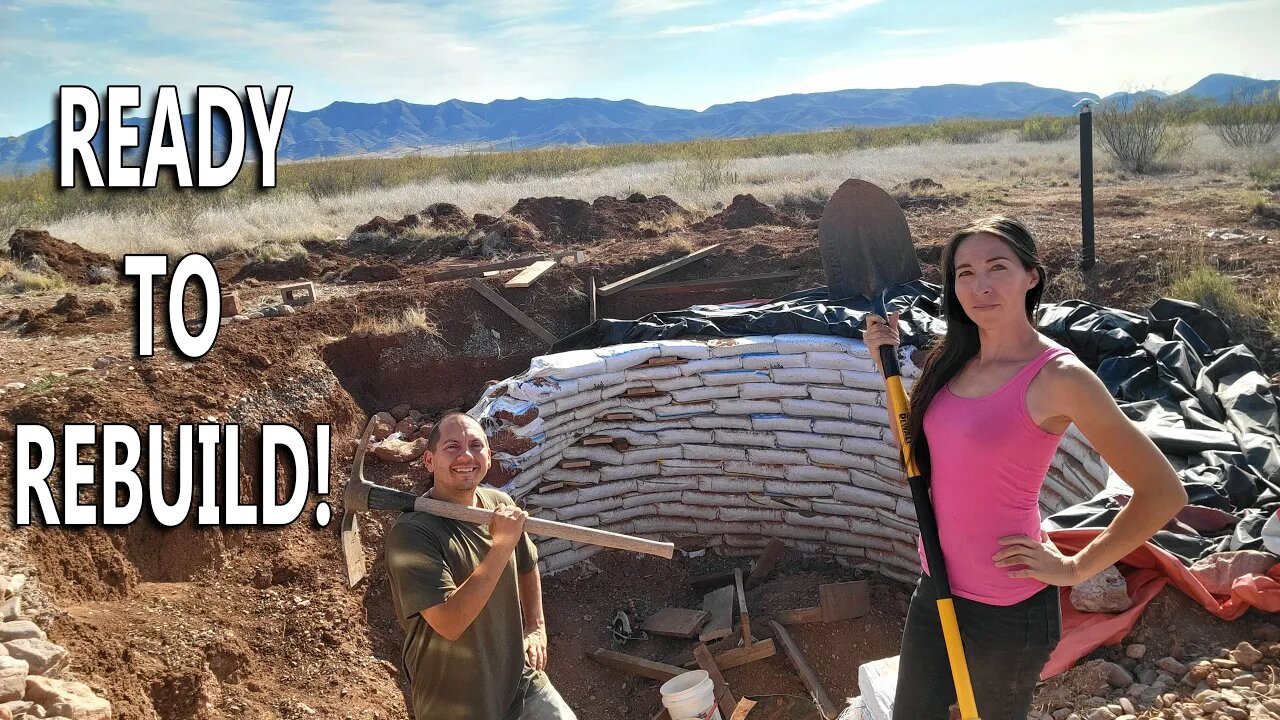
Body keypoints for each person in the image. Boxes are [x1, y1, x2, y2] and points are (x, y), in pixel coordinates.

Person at [862, 216, 1187, 720]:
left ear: (1031, 275)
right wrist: (882, 364)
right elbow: (917, 454)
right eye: (964, 272)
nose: (980, 285)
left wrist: (1077, 568)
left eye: (997, 267)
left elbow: (1163, 492)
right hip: (938, 585)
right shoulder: (952, 361)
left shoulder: (1058, 377)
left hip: (1009, 609)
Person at [384, 411, 576, 720]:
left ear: (488, 456)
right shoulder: (412, 534)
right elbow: (450, 622)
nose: (466, 455)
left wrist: (536, 627)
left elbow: (527, 564)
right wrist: (500, 546)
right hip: (454, 702)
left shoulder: (500, 505)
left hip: (519, 685)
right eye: (452, 447)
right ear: (429, 461)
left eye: (476, 445)